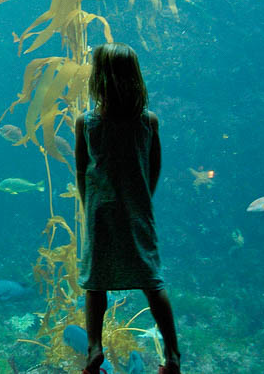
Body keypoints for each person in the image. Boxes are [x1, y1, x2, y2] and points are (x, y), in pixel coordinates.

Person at [75, 43, 181, 374]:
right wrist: (141, 199)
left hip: (100, 212)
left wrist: (87, 203)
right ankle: (174, 356)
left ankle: (94, 349)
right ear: (135, 78)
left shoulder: (87, 123)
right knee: (152, 280)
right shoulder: (148, 122)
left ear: (99, 79)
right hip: (137, 212)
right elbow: (154, 168)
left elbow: (82, 170)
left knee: (96, 283)